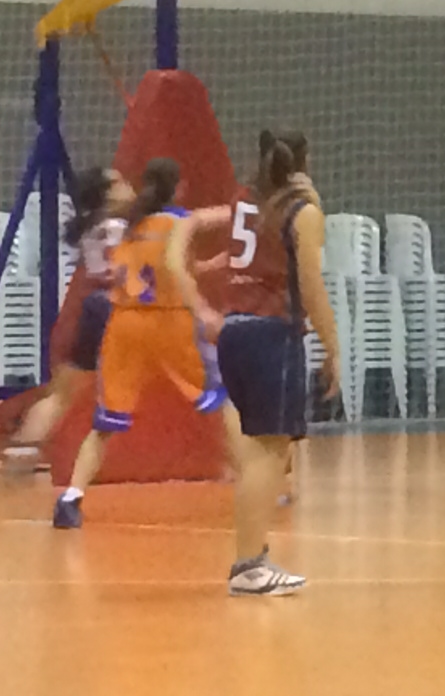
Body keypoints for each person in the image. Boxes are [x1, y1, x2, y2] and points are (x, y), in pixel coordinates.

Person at [173, 130, 341, 596]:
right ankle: (249, 565)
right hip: (272, 334)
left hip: (234, 333)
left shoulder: (246, 201)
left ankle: (254, 558)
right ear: (304, 163)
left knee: (260, 457)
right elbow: (310, 287)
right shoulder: (300, 213)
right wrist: (333, 346)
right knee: (272, 455)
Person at [51, 158, 228, 529]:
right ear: (177, 189)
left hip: (125, 322)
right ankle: (255, 474)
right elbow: (181, 259)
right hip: (169, 319)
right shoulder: (175, 221)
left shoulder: (125, 226)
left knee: (105, 422)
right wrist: (247, 212)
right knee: (219, 398)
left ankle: (71, 496)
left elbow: (127, 270)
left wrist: (210, 265)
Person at [4, 167, 130, 464]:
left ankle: (24, 447)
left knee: (63, 392)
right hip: (114, 308)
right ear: (107, 193)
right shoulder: (115, 227)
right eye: (121, 181)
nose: (129, 185)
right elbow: (118, 269)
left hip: (94, 308)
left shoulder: (90, 226)